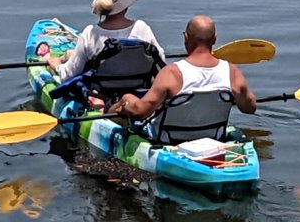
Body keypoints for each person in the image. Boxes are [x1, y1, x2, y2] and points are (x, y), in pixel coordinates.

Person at [110, 15, 257, 134]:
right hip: (213, 136)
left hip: (167, 139)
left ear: (186, 38)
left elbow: (140, 112)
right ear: (215, 39)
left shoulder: (172, 73)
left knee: (128, 98)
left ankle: (101, 115)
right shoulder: (231, 72)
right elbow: (249, 108)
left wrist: (126, 107)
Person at [46, 0, 164, 83]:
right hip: (138, 87)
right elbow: (160, 58)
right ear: (126, 5)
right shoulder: (142, 28)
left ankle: (64, 57)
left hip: (103, 92)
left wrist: (57, 67)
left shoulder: (90, 34)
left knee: (73, 57)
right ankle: (68, 55)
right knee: (70, 54)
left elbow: (69, 75)